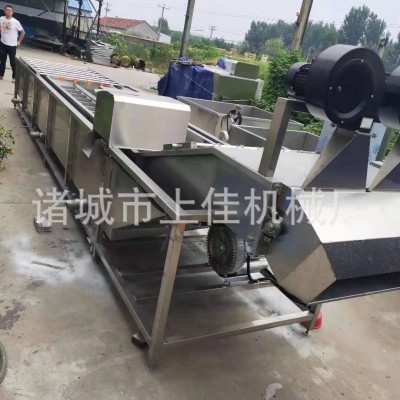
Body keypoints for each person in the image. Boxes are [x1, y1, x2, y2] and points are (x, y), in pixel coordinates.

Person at [0, 5, 25, 83]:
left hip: (12, 45)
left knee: (12, 62)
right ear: (4, 11)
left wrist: (19, 41)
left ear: (12, 12)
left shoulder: (15, 22)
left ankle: (14, 77)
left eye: (10, 10)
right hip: (3, 43)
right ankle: (1, 75)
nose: (8, 11)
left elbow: (23, 32)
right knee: (2, 60)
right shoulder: (1, 19)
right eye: (7, 10)